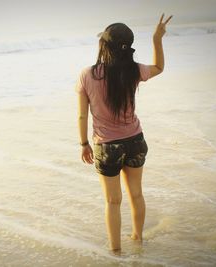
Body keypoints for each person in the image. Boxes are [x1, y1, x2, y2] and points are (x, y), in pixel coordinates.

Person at [74, 14, 173, 254]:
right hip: (135, 141)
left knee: (112, 201)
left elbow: (81, 116)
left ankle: (115, 251)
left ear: (103, 45)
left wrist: (84, 143)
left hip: (107, 146)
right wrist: (157, 39)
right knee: (136, 194)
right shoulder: (134, 71)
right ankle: (138, 239)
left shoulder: (88, 74)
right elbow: (159, 67)